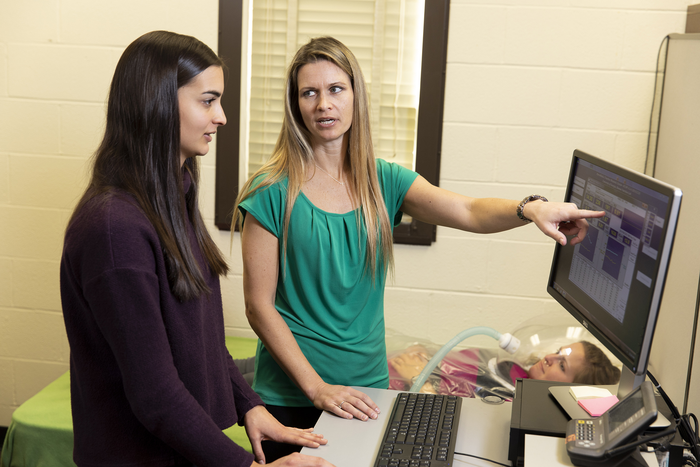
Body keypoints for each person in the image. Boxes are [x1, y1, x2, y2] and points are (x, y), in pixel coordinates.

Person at [232, 36, 606, 461]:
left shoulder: (383, 181)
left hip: (366, 390)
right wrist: (316, 388)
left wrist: (531, 208)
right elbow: (258, 307)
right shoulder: (270, 191)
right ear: (295, 104)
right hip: (292, 394)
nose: (323, 104)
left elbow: (469, 211)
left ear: (355, 96)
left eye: (336, 89)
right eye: (309, 92)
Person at [60, 31, 334, 467]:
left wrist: (250, 407)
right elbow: (156, 394)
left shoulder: (171, 197)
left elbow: (200, 338)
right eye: (208, 101)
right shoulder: (115, 229)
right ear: (158, 103)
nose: (221, 117)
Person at [388, 341, 621, 400]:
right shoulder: (513, 369)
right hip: (388, 370)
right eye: (558, 351)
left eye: (562, 365)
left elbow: (439, 421)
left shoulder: (511, 400)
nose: (549, 357)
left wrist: (418, 376)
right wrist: (426, 353)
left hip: (380, 394)